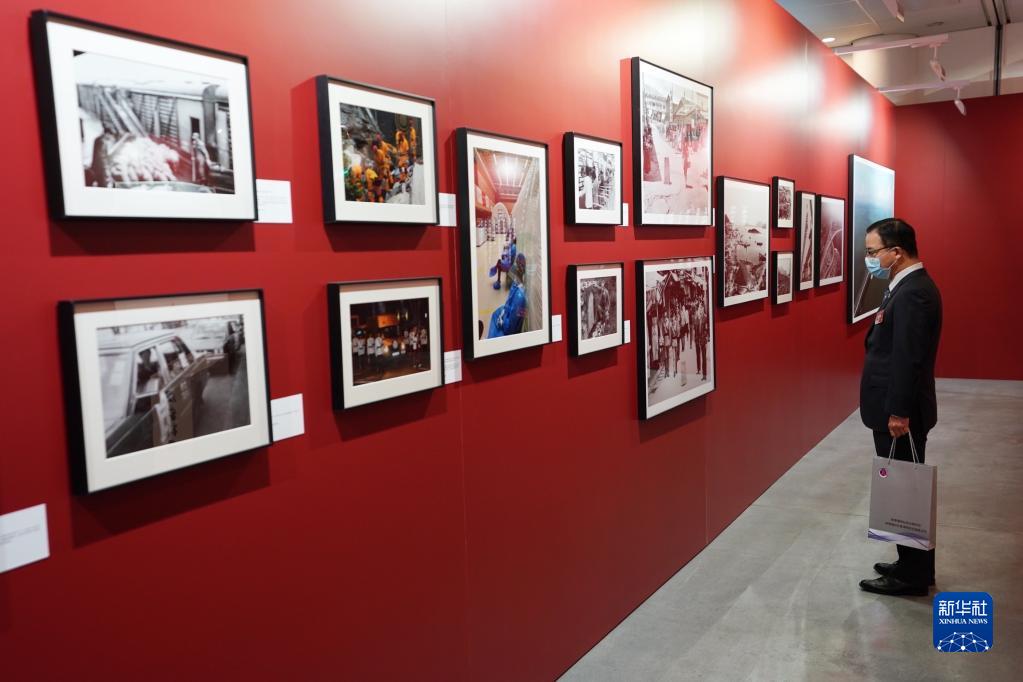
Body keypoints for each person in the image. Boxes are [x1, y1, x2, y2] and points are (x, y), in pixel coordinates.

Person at [857, 218, 942, 597]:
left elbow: (908, 357)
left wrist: (898, 411)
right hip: (894, 407)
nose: (869, 259)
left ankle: (912, 575)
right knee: (903, 488)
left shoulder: (914, 293)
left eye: (872, 252)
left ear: (897, 252)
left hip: (900, 413)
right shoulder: (905, 286)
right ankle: (911, 563)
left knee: (907, 490)